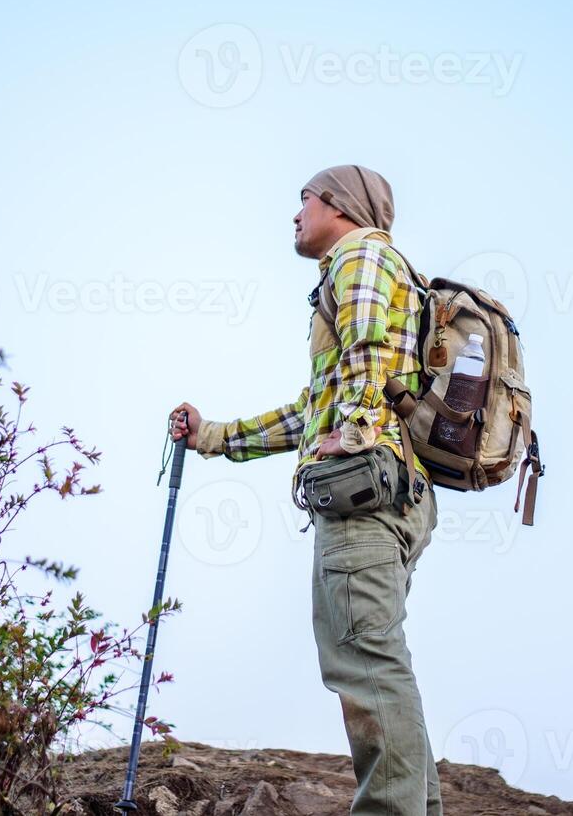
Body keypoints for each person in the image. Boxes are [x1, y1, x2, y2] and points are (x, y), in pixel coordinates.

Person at [170, 164, 443, 815]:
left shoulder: (361, 256)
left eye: (306, 200)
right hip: (385, 492)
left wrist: (348, 436)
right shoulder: (355, 271)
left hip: (364, 494)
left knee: (367, 668)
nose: (296, 215)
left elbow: (366, 356)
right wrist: (211, 435)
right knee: (373, 663)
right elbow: (309, 411)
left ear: (339, 205)